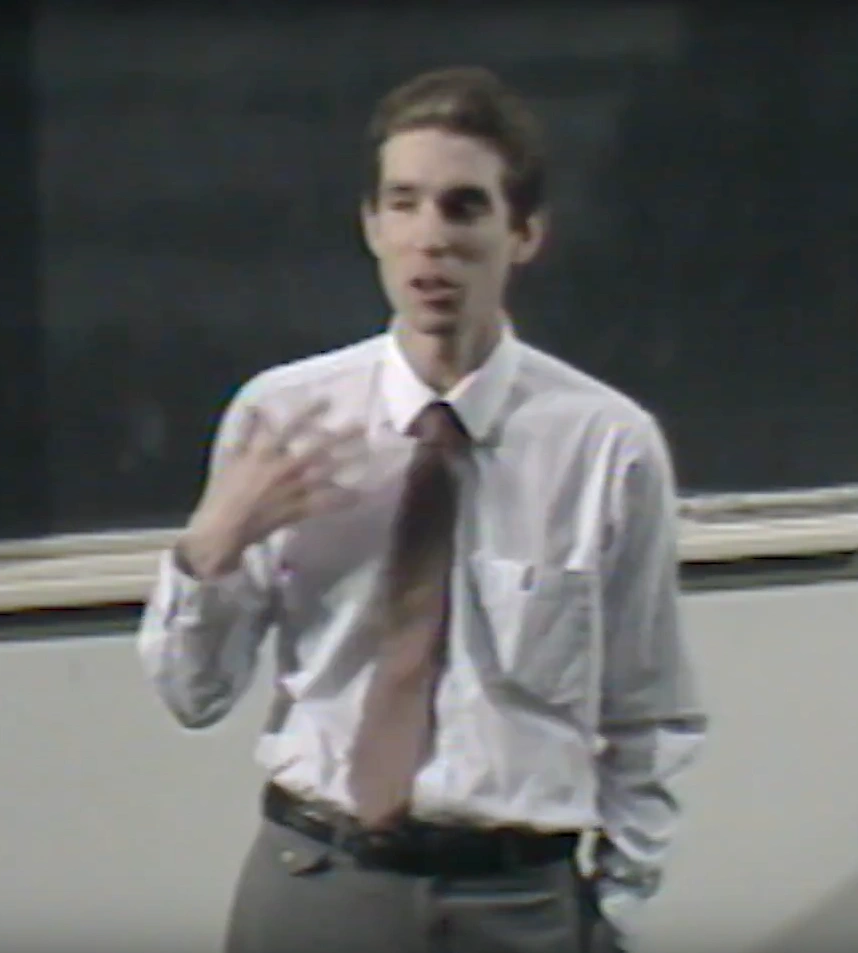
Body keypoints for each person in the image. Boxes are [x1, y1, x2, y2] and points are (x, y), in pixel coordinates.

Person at [136, 65, 706, 953]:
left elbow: (646, 709)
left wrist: (612, 907)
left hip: (517, 898)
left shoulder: (605, 444)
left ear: (524, 233)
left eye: (463, 208)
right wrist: (207, 551)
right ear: (372, 225)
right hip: (318, 881)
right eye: (403, 204)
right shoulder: (284, 419)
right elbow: (192, 694)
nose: (429, 239)